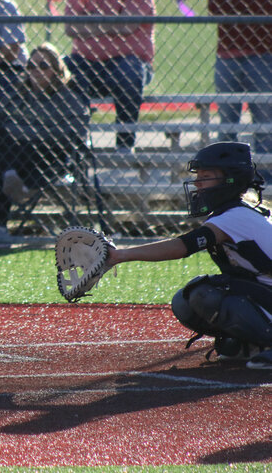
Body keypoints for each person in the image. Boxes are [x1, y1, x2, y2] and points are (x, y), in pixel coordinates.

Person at [105, 141, 272, 370]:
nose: (197, 183)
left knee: (205, 295)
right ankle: (252, 345)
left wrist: (120, 255)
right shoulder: (235, 212)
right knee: (185, 301)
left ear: (230, 180)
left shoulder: (235, 216)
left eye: (205, 176)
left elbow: (182, 246)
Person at [0, 43, 90, 245]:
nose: (36, 71)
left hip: (50, 156)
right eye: (31, 66)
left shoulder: (69, 96)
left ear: (56, 70)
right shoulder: (17, 94)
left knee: (13, 149)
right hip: (13, 154)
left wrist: (31, 133)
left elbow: (76, 135)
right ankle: (9, 190)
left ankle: (0, 223)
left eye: (43, 66)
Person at [64, 0, 155, 152]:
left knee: (129, 71)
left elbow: (129, 25)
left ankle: (124, 146)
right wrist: (112, 24)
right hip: (87, 62)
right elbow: (71, 27)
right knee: (63, 69)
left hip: (127, 63)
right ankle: (73, 147)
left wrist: (91, 24)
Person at [208, 0, 272, 165]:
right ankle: (227, 173)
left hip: (263, 55)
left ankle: (265, 175)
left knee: (264, 120)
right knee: (227, 121)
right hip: (228, 55)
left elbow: (234, 9)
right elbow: (216, 9)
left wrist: (238, 2)